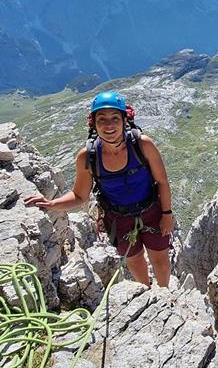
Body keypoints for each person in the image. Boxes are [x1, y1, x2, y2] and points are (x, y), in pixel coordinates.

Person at [24, 91, 175, 287]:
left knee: (160, 259)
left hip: (152, 212)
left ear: (124, 120)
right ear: (93, 124)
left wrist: (167, 214)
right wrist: (52, 204)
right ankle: (147, 292)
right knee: (134, 259)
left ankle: (164, 293)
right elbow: (79, 195)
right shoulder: (88, 156)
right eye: (102, 119)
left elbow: (162, 182)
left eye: (115, 118)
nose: (109, 125)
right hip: (118, 218)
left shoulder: (142, 144)